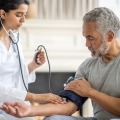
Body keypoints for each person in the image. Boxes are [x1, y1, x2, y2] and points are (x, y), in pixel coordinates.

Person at [1, 7, 120, 120]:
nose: (86, 44)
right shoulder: (87, 66)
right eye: (85, 37)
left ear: (109, 36)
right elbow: (69, 105)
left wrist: (90, 92)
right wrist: (30, 110)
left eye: (91, 38)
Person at [0, 0, 64, 120]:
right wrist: (34, 97)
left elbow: (16, 77)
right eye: (19, 15)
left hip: (15, 104)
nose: (23, 20)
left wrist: (33, 65)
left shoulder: (15, 40)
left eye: (25, 14)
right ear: (3, 14)